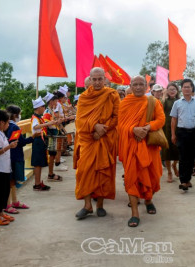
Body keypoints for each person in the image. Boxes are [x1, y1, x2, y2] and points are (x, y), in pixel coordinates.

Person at [118, 76, 165, 227]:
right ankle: (134, 214)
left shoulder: (153, 101)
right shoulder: (125, 103)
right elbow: (120, 126)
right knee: (132, 177)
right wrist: (133, 129)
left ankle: (149, 200)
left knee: (152, 176)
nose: (138, 87)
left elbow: (161, 119)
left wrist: (147, 128)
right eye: (135, 84)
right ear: (130, 86)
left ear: (147, 86)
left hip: (149, 146)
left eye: (141, 84)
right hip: (131, 145)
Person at [74, 67, 119, 219]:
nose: (98, 82)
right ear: (90, 80)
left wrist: (102, 130)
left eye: (100, 79)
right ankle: (87, 205)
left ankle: (100, 205)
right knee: (84, 171)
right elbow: (79, 120)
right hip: (88, 139)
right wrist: (94, 126)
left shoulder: (112, 95)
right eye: (95, 79)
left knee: (103, 172)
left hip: (105, 139)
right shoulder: (84, 97)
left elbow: (116, 116)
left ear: (105, 80)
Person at [170, 79, 195, 191]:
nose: (186, 89)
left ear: (192, 88)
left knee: (191, 157)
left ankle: (188, 179)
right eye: (184, 87)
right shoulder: (177, 103)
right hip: (181, 132)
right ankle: (183, 181)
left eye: (188, 87)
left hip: (194, 132)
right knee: (183, 157)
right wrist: (173, 134)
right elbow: (173, 120)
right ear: (181, 88)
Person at [0, 110, 17, 226]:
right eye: (6, 123)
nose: (7, 125)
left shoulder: (1, 134)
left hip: (5, 168)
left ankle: (1, 213)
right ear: (1, 123)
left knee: (4, 192)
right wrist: (9, 146)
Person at [4, 105, 33, 213]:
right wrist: (32, 138)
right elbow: (21, 142)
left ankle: (14, 201)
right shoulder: (15, 127)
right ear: (16, 115)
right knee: (11, 180)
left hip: (8, 156)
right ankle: (8, 204)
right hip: (15, 156)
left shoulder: (7, 126)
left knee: (11, 180)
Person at [31, 96, 56, 191]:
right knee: (37, 164)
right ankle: (37, 184)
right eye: (43, 106)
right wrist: (47, 124)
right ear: (38, 108)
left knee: (40, 163)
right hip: (37, 141)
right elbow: (36, 127)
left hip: (40, 141)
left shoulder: (38, 117)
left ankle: (38, 182)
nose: (44, 108)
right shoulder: (35, 118)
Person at [43, 92, 67, 176]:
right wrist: (57, 122)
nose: (57, 103)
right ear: (51, 101)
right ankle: (50, 173)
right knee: (52, 155)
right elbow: (47, 124)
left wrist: (57, 122)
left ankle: (51, 172)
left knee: (53, 154)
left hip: (53, 134)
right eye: (55, 101)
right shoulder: (47, 112)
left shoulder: (51, 110)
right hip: (51, 135)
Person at [161, 83, 180, 183]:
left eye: (174, 89)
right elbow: (160, 108)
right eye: (170, 89)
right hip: (166, 128)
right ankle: (169, 172)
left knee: (178, 149)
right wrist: (163, 95)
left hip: (178, 127)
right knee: (167, 151)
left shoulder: (179, 101)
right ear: (167, 90)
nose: (172, 91)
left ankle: (175, 165)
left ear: (177, 91)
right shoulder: (164, 101)